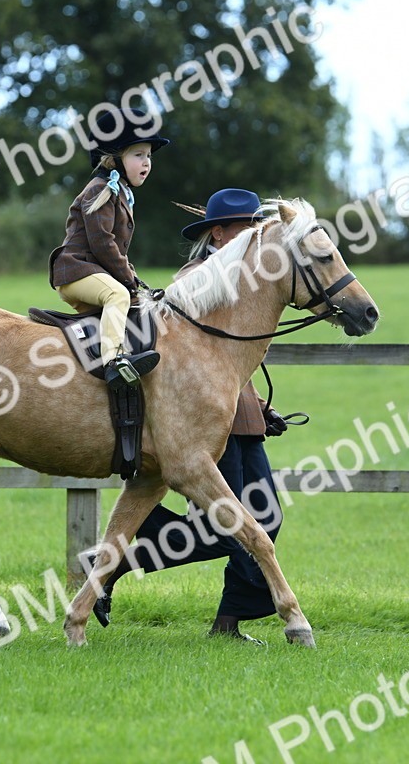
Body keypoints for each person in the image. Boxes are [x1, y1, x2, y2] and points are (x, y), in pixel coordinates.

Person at [88, 188, 293, 644]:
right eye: (246, 229)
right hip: (200, 423)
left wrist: (262, 408)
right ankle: (116, 561)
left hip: (242, 421)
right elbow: (194, 367)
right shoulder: (197, 277)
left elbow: (230, 365)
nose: (257, 237)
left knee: (266, 518)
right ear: (218, 235)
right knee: (227, 526)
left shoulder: (248, 278)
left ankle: (225, 620)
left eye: (259, 229)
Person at [48, 109, 170, 385]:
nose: (147, 162)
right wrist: (128, 281)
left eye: (149, 155)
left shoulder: (119, 192)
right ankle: (114, 361)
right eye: (138, 154)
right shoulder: (99, 189)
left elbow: (117, 252)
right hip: (76, 270)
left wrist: (137, 282)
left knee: (138, 305)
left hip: (92, 272)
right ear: (114, 158)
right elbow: (103, 243)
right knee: (118, 295)